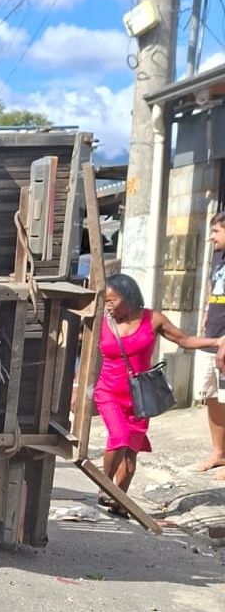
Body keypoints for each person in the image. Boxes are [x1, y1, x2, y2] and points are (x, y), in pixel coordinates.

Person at [96, 273, 224, 515]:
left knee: (131, 457)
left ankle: (119, 503)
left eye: (112, 300)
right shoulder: (102, 321)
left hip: (140, 396)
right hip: (108, 391)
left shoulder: (152, 319)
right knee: (119, 435)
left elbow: (184, 340)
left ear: (128, 297)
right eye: (106, 301)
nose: (108, 306)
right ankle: (104, 485)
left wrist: (217, 342)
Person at [196, 210, 225, 478]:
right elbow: (213, 287)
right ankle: (219, 453)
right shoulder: (217, 256)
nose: (212, 237)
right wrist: (207, 310)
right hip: (212, 335)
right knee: (212, 396)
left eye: (216, 231)